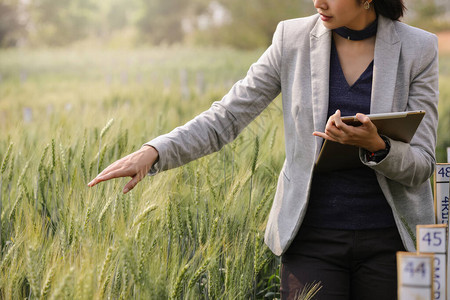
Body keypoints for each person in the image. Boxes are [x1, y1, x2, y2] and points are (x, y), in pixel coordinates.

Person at [88, 0, 439, 298]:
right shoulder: (292, 40)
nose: (318, 2)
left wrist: (376, 147)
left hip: (392, 240)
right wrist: (155, 151)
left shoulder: (418, 48)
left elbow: (422, 164)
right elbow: (226, 117)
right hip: (312, 241)